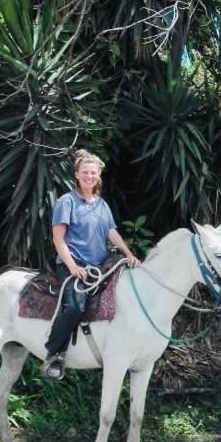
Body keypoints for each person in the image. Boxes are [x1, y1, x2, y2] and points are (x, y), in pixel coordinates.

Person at [42, 150, 141, 379]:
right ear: (76, 175)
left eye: (93, 173)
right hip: (72, 264)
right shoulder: (66, 202)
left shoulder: (102, 204)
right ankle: (54, 353)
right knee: (76, 306)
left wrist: (127, 253)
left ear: (98, 176)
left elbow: (111, 232)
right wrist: (73, 267)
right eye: (84, 172)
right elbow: (58, 239)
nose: (89, 176)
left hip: (100, 265)